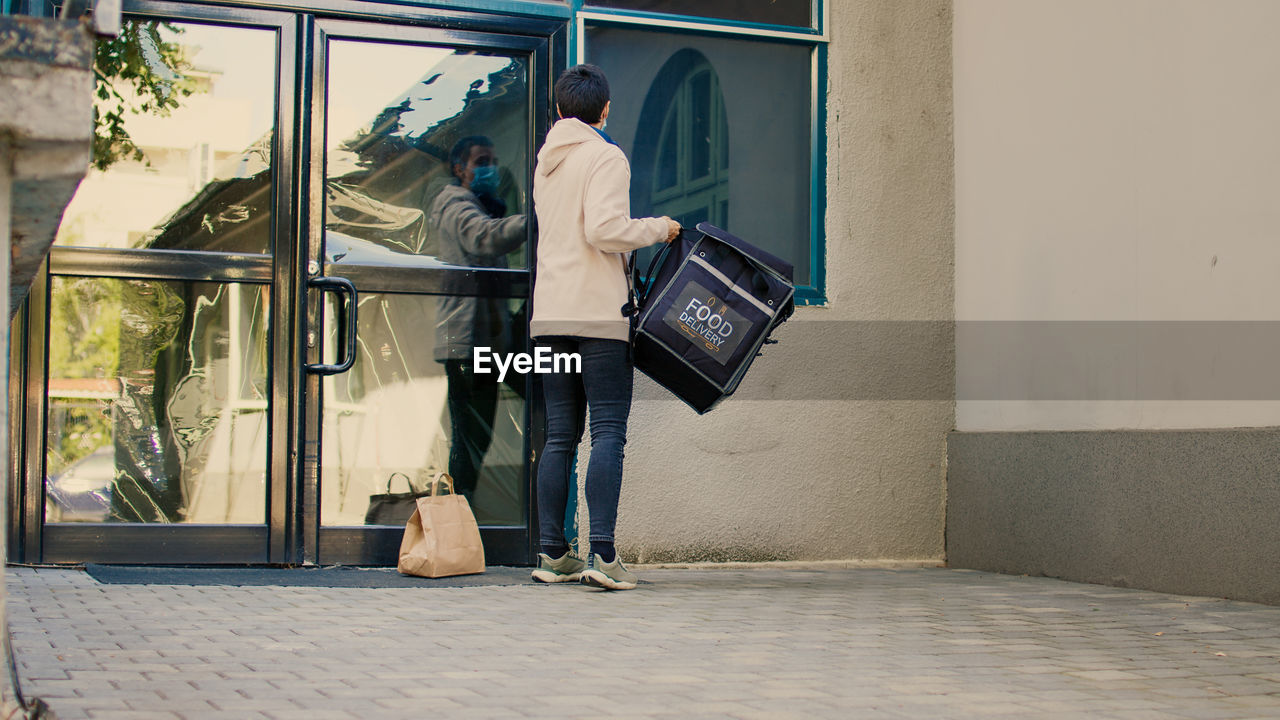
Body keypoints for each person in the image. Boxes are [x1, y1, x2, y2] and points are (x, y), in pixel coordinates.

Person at [529, 64, 681, 590]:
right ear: (605, 110)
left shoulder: (545, 164)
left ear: (557, 110)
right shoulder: (605, 155)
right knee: (608, 433)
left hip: (549, 315)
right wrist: (659, 228)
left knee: (559, 437)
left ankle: (553, 555)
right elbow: (605, 230)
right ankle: (603, 556)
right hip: (596, 315)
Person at [431, 135, 527, 501]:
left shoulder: (480, 205)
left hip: (486, 341)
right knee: (469, 439)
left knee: (476, 438)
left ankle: (460, 515)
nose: (491, 168)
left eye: (493, 160)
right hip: (466, 343)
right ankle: (455, 521)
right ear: (460, 168)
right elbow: (485, 238)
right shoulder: (456, 205)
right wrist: (537, 219)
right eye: (482, 161)